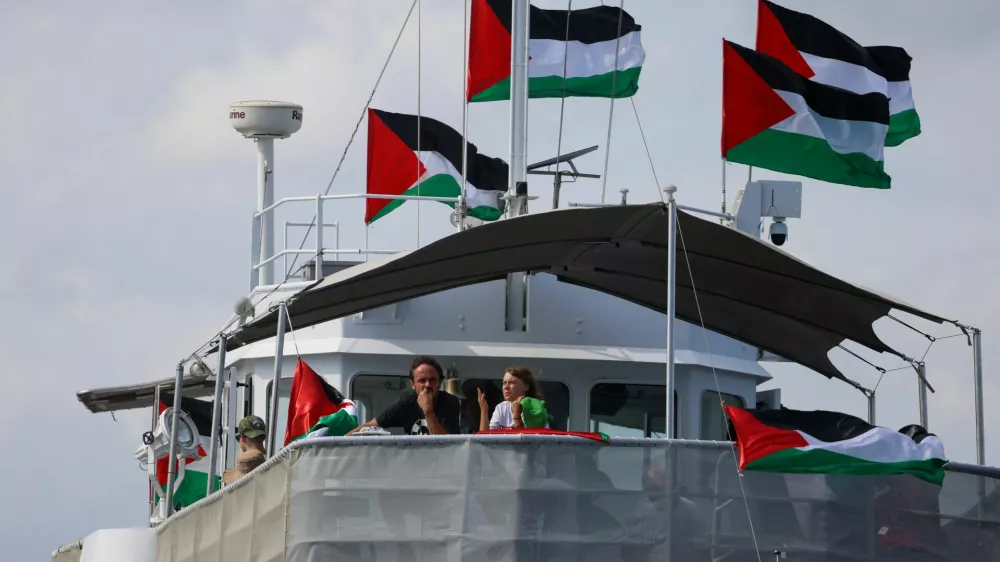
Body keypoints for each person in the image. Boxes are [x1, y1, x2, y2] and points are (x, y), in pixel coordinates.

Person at [348, 356, 461, 435]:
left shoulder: (450, 402)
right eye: (422, 380)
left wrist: (428, 411)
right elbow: (373, 424)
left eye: (432, 380)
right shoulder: (406, 403)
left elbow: (444, 444)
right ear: (412, 384)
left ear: (439, 383)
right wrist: (342, 440)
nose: (427, 385)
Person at [477, 366, 548, 431]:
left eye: (512, 382)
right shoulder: (501, 407)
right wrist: (484, 411)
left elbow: (527, 441)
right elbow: (485, 438)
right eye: (504, 383)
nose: (506, 387)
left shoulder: (536, 408)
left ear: (526, 387)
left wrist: (516, 416)